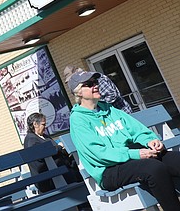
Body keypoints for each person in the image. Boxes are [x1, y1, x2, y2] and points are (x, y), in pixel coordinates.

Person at [68, 70, 180, 211]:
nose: (95, 86)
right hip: (108, 170)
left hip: (131, 160)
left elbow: (136, 130)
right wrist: (135, 154)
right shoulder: (78, 120)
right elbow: (99, 154)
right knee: (154, 168)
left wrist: (150, 140)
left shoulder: (109, 109)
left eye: (95, 82)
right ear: (78, 92)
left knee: (176, 160)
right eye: (89, 84)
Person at [23, 112, 82, 193]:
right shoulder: (31, 140)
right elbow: (43, 154)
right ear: (35, 124)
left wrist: (62, 149)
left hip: (60, 170)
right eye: (43, 124)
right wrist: (59, 147)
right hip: (50, 179)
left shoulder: (43, 136)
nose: (45, 127)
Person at [64, 65, 132, 113]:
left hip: (122, 113)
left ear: (77, 72)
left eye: (72, 78)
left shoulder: (94, 78)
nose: (72, 81)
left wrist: (97, 106)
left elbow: (112, 95)